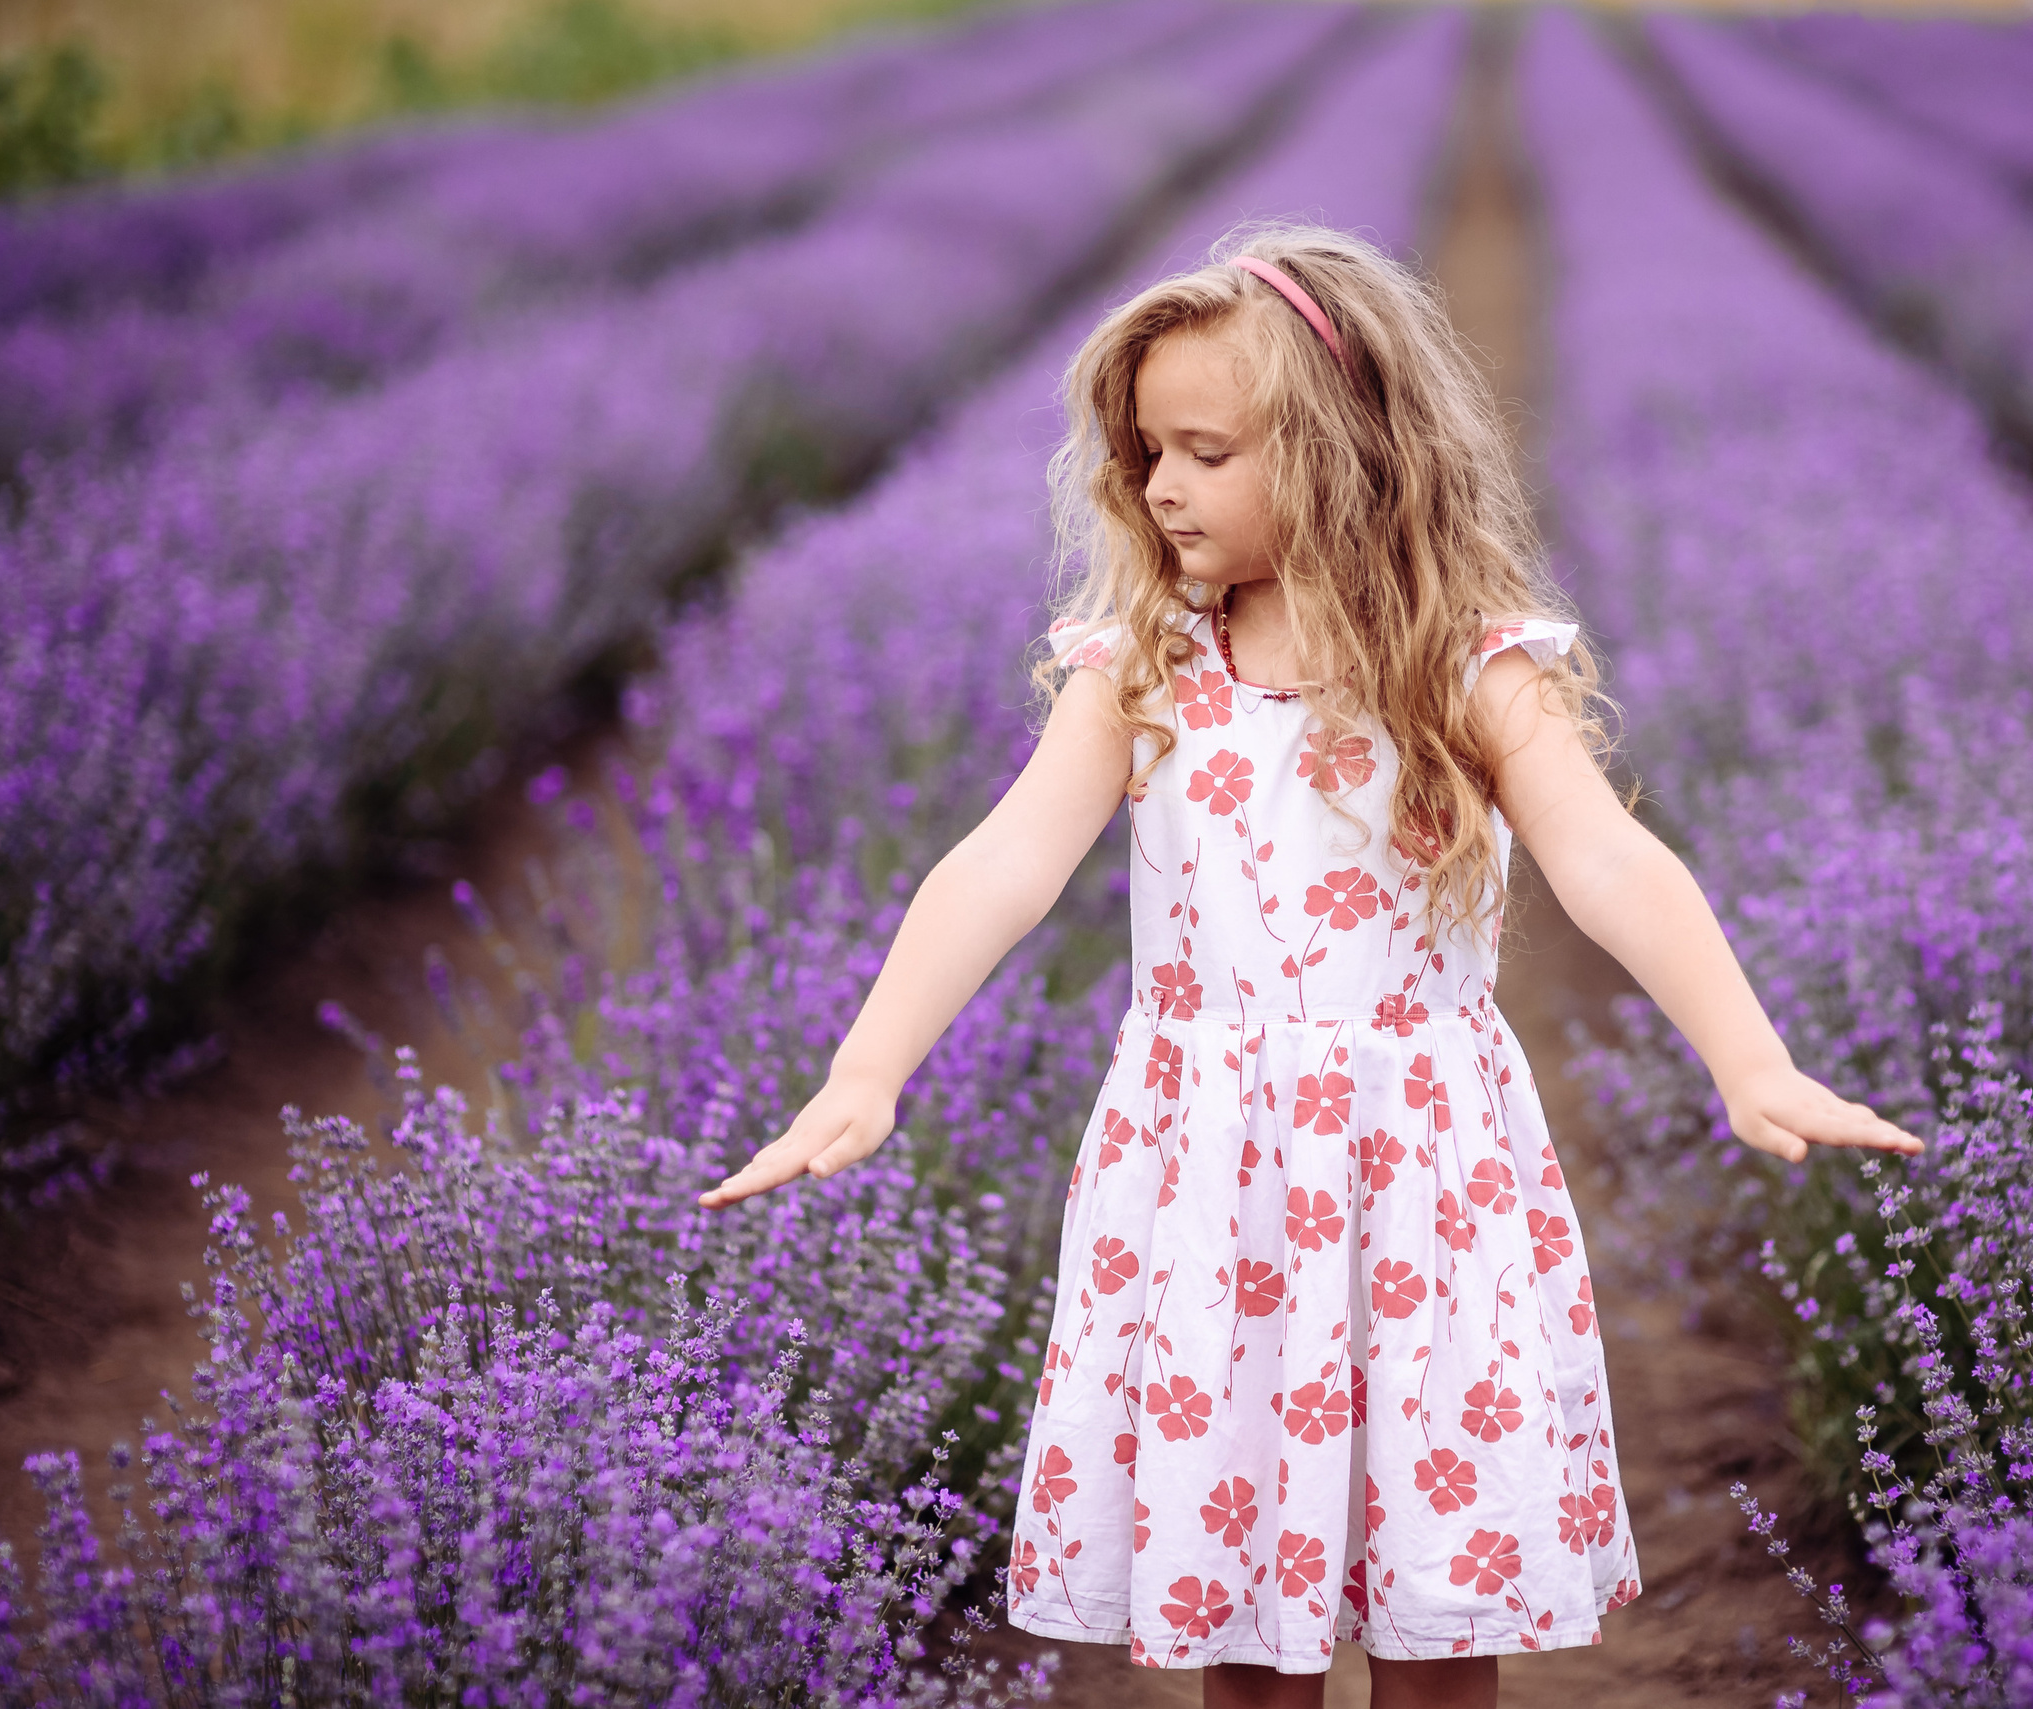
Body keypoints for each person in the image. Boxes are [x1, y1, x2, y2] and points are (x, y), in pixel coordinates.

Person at [697, 223, 1925, 1709]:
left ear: (1338, 452)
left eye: (1205, 451)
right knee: (1244, 1621)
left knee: (1430, 1623)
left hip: (1420, 1176)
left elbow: (1607, 859)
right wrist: (867, 1064)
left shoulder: (1465, 661)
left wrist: (1750, 1054)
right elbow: (1003, 862)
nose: (1159, 486)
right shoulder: (1145, 660)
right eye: (1147, 450)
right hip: (1213, 1180)